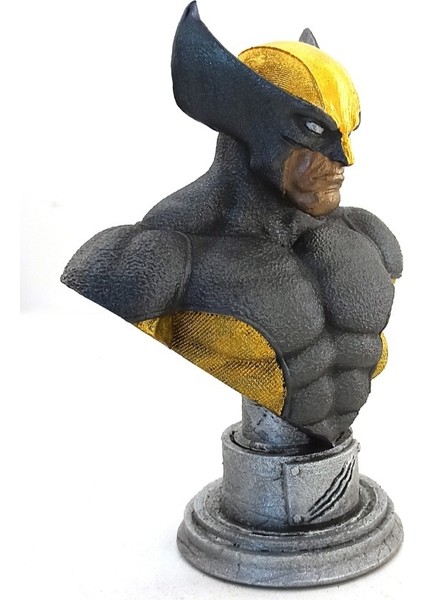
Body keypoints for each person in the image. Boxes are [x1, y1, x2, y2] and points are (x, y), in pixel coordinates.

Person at [62, 2, 402, 446]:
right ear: (247, 124)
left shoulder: (365, 235)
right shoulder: (157, 257)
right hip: (252, 470)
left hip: (341, 465)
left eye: (347, 132)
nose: (345, 160)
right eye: (315, 133)